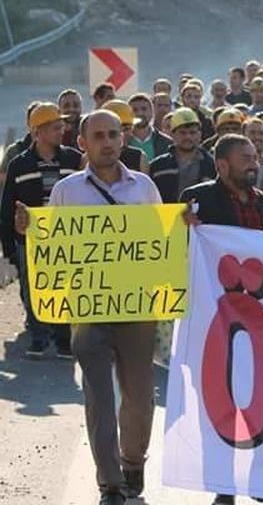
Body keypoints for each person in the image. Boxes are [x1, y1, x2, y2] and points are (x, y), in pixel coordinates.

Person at [16, 110, 163, 504]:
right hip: (89, 308)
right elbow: (54, 247)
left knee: (139, 398)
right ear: (82, 143)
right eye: (98, 135)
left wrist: (185, 226)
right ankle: (110, 482)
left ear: (123, 139)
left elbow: (162, 244)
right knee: (98, 397)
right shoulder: (67, 190)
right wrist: (30, 231)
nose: (108, 142)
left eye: (114, 134)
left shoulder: (144, 187)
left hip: (137, 309)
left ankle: (133, 462)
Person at [181, 134, 263, 505]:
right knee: (218, 407)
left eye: (255, 157)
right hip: (215, 324)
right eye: (245, 159)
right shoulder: (198, 199)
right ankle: (223, 488)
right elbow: (182, 251)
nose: (254, 164)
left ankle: (262, 482)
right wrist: (184, 229)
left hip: (262, 324)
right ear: (222, 165)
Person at [1, 103, 82, 357]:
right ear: (39, 132)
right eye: (56, 127)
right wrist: (9, 248)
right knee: (33, 287)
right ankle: (39, 337)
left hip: (67, 239)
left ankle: (63, 339)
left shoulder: (73, 159)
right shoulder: (19, 164)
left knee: (66, 287)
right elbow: (6, 209)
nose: (62, 130)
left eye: (62, 126)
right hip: (31, 241)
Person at [149, 108, 216, 203]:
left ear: (200, 134)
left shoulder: (212, 165)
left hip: (203, 217)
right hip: (167, 216)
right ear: (172, 134)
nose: (188, 137)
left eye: (192, 132)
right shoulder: (157, 166)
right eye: (183, 132)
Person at [127, 93, 173, 162]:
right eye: (135, 110)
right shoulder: (122, 141)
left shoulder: (167, 142)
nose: (140, 113)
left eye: (144, 109)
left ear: (152, 112)